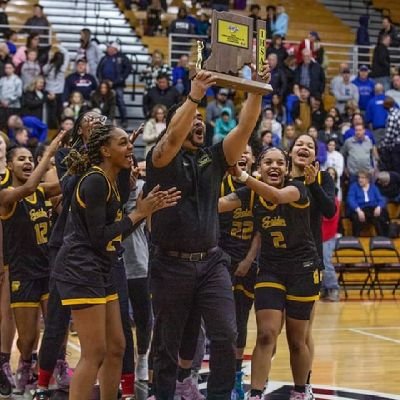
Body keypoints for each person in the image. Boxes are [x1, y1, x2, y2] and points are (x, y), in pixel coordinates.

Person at [146, 64, 270, 399]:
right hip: (170, 263)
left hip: (212, 262)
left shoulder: (212, 157)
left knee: (226, 335)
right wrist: (195, 96)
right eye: (192, 119)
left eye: (202, 119)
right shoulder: (159, 157)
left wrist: (256, 89)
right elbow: (172, 137)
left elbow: (246, 126)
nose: (199, 122)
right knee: (167, 343)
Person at [50, 123, 179, 400]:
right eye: (122, 143)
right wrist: (137, 214)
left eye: (129, 142)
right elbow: (99, 237)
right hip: (80, 268)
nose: (130, 147)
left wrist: (145, 212)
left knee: (117, 346)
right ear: (105, 151)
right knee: (94, 351)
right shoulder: (95, 181)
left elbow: (115, 234)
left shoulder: (111, 181)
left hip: (101, 266)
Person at [219, 147, 321, 400]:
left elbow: (275, 196)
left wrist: (243, 176)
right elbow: (219, 205)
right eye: (267, 162)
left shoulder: (297, 189)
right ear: (260, 167)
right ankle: (255, 394)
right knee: (266, 334)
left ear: (286, 168)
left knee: (297, 339)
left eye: (279, 163)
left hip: (302, 270)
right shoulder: (250, 194)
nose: (273, 167)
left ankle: (301, 390)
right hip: (271, 270)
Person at [0, 132, 65, 394]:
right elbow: (26, 189)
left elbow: (66, 184)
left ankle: (58, 367)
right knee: (27, 338)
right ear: (9, 166)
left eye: (30, 158)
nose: (27, 163)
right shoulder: (6, 196)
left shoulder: (41, 191)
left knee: (56, 326)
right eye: (22, 159)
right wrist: (47, 155)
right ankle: (25, 365)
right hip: (23, 273)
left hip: (48, 269)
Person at [288, 134, 336, 396]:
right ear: (290, 150)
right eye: (299, 144)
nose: (304, 148)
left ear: (315, 155)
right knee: (269, 331)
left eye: (309, 146)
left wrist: (312, 183)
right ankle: (257, 382)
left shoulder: (323, 178)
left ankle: (304, 383)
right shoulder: (279, 176)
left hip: (309, 263)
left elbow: (329, 211)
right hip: (277, 260)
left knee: (302, 330)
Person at [122, 160, 152, 382]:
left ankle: (142, 357)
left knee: (144, 317)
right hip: (114, 266)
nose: (132, 172)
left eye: (134, 168)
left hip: (140, 262)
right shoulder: (109, 188)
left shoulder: (144, 189)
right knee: (121, 321)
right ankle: (125, 364)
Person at [97, 42, 132, 128]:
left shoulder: (122, 58)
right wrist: (102, 81)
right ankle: (100, 119)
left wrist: (116, 81)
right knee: (101, 100)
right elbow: (98, 70)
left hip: (117, 84)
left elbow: (128, 69)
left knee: (120, 100)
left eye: (110, 48)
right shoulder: (104, 58)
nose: (108, 49)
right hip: (104, 83)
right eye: (108, 47)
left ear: (115, 49)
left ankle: (124, 120)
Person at [347, 170, 389, 236]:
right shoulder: (354, 186)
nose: (360, 180)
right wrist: (358, 210)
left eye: (362, 178)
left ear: (368, 179)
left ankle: (383, 238)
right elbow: (350, 199)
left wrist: (379, 207)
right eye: (359, 177)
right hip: (360, 208)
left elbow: (381, 199)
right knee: (356, 217)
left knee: (382, 215)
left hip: (372, 208)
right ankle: (356, 239)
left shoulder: (373, 187)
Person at [321, 167, 340, 301]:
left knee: (327, 263)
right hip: (317, 234)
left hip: (327, 235)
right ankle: (324, 289)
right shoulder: (319, 192)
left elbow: (329, 216)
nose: (331, 177)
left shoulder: (334, 196)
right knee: (320, 264)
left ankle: (333, 289)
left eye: (333, 175)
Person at [43, 45, 70, 129]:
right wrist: (59, 46)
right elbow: (67, 55)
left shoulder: (48, 67)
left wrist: (50, 56)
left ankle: (49, 128)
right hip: (58, 93)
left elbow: (45, 67)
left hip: (48, 92)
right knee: (58, 113)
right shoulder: (62, 69)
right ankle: (57, 128)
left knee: (48, 112)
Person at [0, 62, 23, 131]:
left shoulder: (17, 80)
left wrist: (8, 102)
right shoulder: (2, 80)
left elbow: (19, 94)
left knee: (12, 126)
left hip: (13, 107)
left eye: (9, 68)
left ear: (13, 69)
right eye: (6, 68)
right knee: (2, 124)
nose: (7, 70)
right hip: (2, 106)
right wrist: (1, 101)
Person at [380, 97, 400, 173]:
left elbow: (389, 134)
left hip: (397, 145)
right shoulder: (398, 112)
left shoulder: (391, 116)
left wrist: (383, 145)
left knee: (396, 167)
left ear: (386, 106)